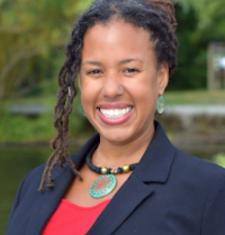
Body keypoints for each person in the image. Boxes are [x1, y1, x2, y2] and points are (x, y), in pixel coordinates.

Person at [6, 0, 225, 234]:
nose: (111, 90)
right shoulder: (38, 183)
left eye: (130, 70)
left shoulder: (210, 191)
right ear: (81, 81)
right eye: (95, 71)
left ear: (161, 77)